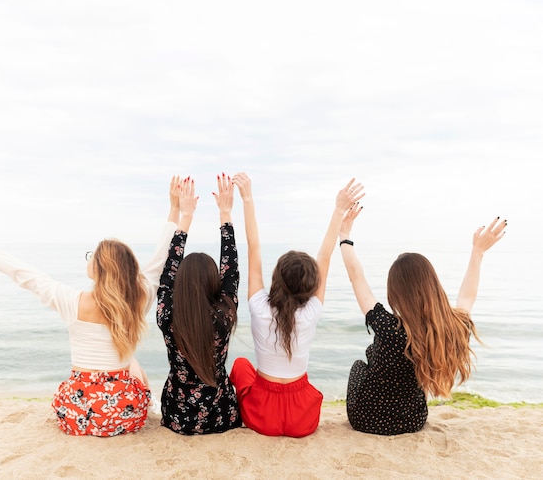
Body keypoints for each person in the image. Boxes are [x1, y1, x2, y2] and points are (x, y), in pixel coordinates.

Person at [0, 176, 181, 437]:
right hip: (123, 414)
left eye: (92, 256)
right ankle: (151, 404)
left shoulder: (70, 301)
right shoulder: (138, 301)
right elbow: (160, 260)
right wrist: (176, 211)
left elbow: (20, 272)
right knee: (131, 363)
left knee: (129, 361)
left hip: (78, 414)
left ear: (99, 268)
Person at [339, 201, 507, 435]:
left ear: (395, 292)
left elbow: (356, 278)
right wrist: (477, 252)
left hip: (367, 419)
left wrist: (344, 236)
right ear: (432, 285)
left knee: (359, 366)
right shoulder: (451, 327)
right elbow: (467, 296)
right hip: (412, 421)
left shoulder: (387, 327)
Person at [229, 173, 364, 437]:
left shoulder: (258, 306)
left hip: (261, 416)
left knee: (241, 365)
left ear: (276, 279)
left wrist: (247, 198)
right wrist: (338, 210)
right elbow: (324, 256)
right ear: (311, 286)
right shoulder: (312, 312)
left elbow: (253, 248)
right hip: (302, 418)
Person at [156, 174, 242, 435]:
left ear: (179, 285)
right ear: (215, 284)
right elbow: (231, 270)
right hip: (219, 414)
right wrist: (225, 213)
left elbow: (168, 271)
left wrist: (185, 218)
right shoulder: (224, 316)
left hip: (176, 416)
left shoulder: (167, 316)